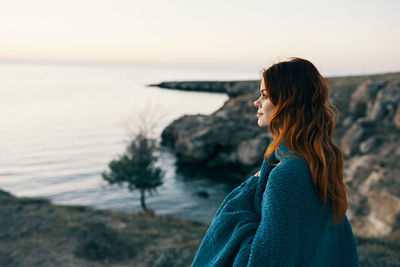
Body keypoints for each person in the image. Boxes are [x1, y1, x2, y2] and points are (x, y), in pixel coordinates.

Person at [191, 57, 359, 266]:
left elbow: (265, 259)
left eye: (264, 95)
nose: (256, 102)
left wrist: (248, 189)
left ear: (288, 103)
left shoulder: (286, 175)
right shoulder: (319, 162)